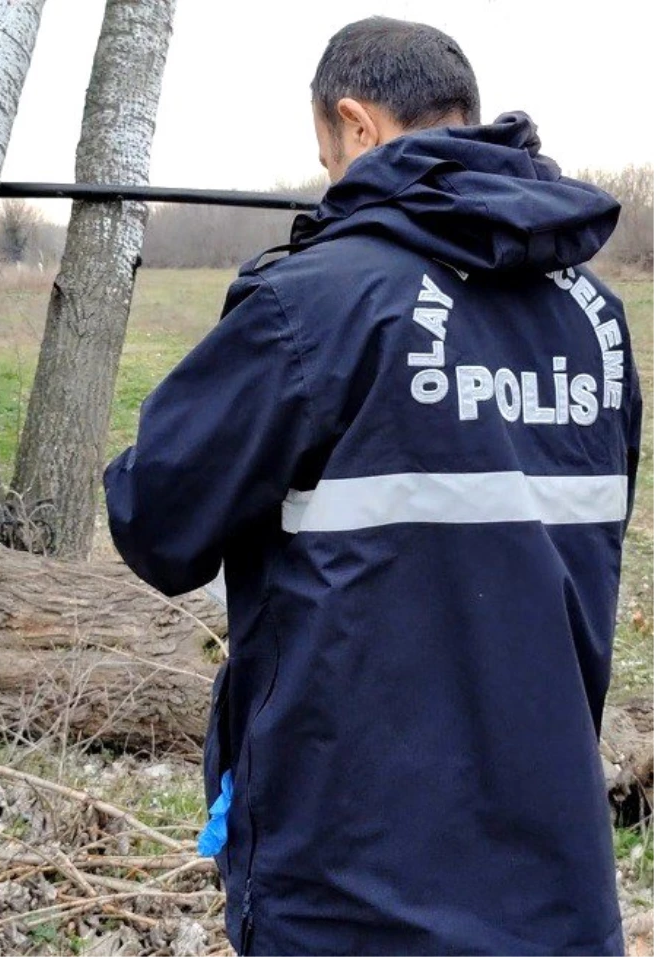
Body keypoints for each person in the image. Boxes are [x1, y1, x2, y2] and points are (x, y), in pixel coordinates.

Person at [104, 16, 641, 957]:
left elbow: (152, 516)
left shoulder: (311, 303)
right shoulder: (597, 316)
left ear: (356, 126)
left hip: (350, 897)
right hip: (558, 893)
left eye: (325, 155)